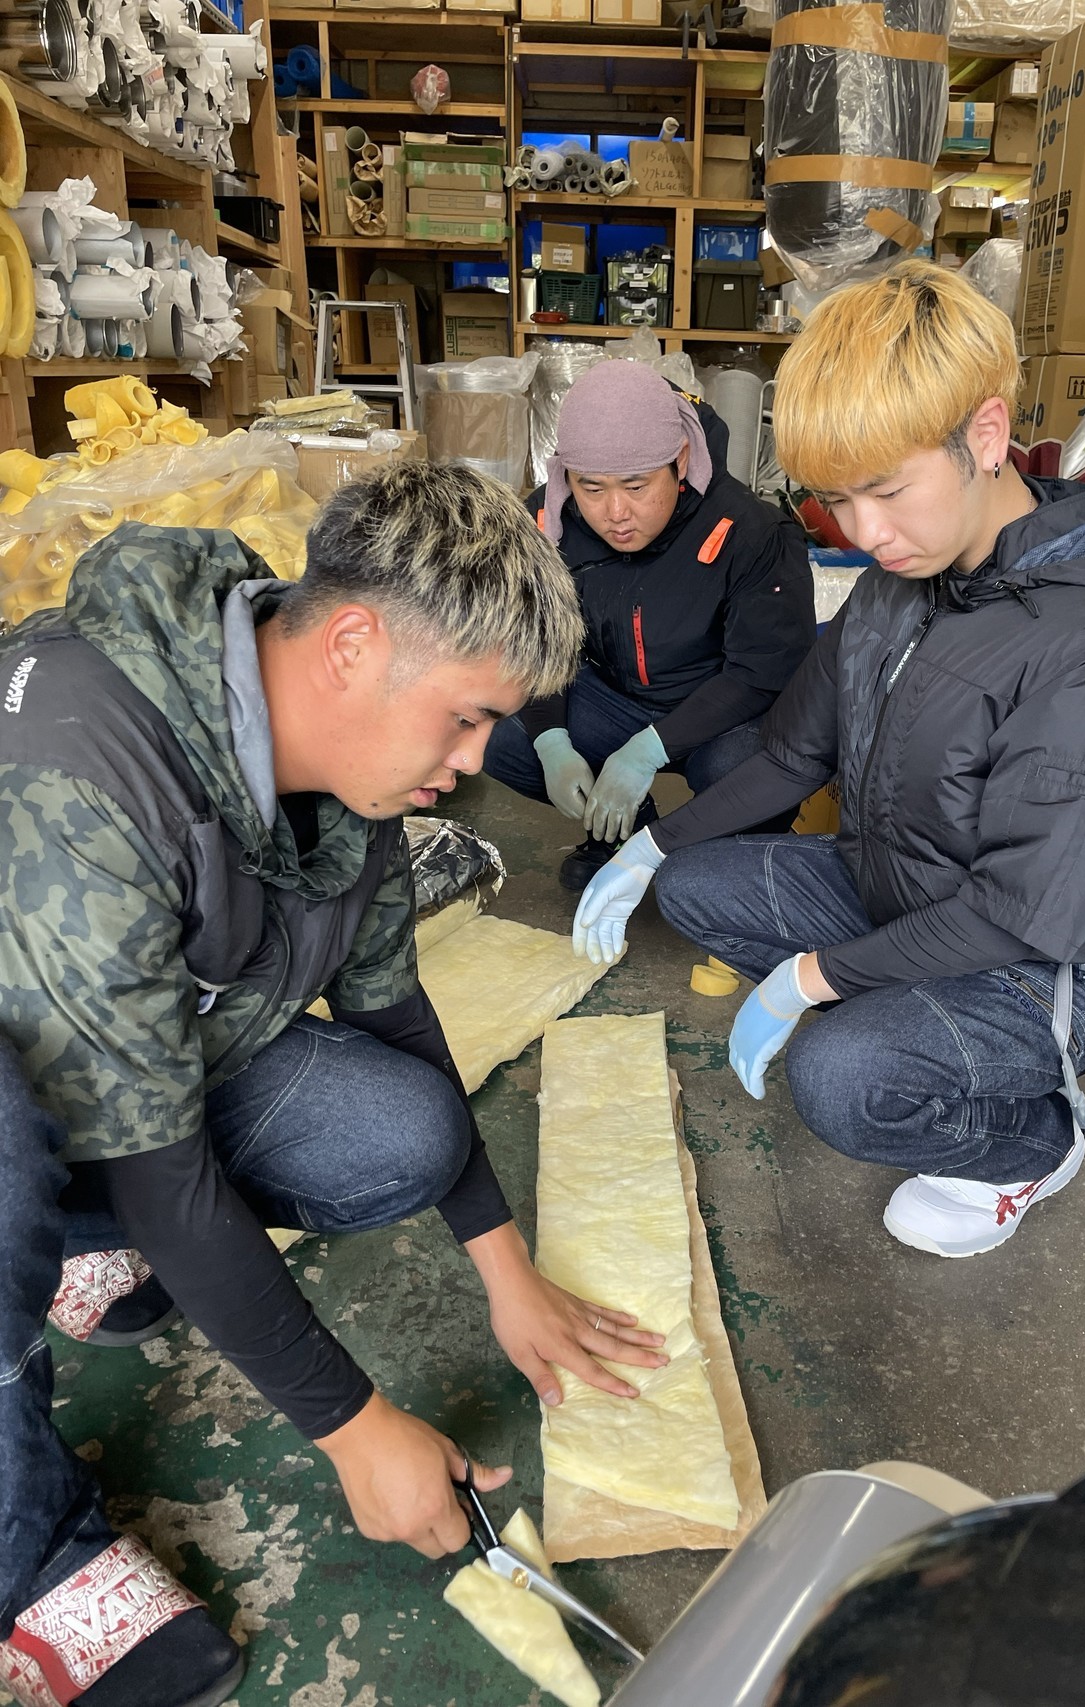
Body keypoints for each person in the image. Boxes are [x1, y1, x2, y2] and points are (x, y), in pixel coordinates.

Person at [0, 463, 667, 1707]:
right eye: (463, 719)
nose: (469, 763)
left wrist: (508, 1273)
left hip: (121, 1067)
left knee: (399, 1130)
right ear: (353, 644)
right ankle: (22, 1551)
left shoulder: (346, 775)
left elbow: (391, 1011)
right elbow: (161, 1162)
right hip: (18, 1094)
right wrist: (355, 1431)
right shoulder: (77, 765)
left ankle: (83, 1240)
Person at [571, 261, 1085, 1261]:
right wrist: (649, 849)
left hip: (1044, 964)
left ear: (985, 436)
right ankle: (904, 1006)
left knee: (840, 1076)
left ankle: (1031, 1144)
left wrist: (810, 979)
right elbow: (792, 755)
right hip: (906, 887)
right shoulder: (901, 585)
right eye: (836, 500)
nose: (866, 533)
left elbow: (1011, 914)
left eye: (885, 490)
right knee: (695, 883)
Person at [482, 358, 816, 889]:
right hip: (617, 698)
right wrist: (551, 739)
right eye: (591, 488)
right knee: (498, 734)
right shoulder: (547, 522)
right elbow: (535, 642)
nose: (615, 512)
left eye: (636, 487)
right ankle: (620, 830)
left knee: (750, 771)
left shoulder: (752, 531)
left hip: (722, 712)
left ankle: (694, 847)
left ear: (680, 461)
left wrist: (647, 751)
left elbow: (762, 673)